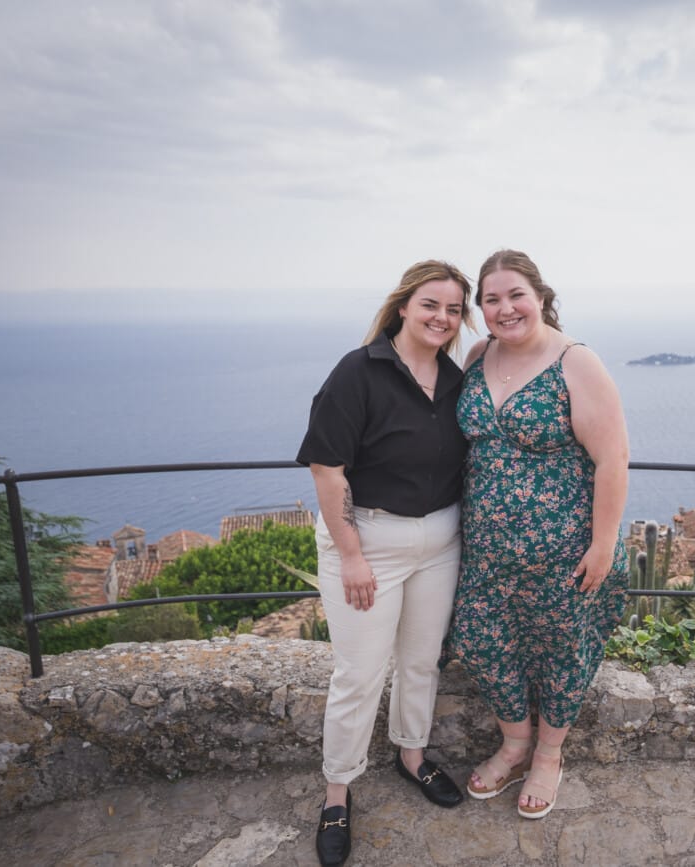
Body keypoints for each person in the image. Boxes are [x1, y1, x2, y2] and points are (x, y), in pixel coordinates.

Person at [297, 260, 475, 867]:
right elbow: (327, 469)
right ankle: (337, 793)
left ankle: (412, 756)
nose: (442, 318)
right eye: (431, 304)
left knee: (421, 661)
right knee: (360, 674)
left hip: (440, 542)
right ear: (403, 306)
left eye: (454, 309)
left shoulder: (455, 379)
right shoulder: (359, 372)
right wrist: (350, 555)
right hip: (368, 541)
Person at [447, 249, 630, 820]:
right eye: (491, 299)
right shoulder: (478, 356)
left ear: (541, 297)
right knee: (481, 641)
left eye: (515, 295)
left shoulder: (576, 362)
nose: (505, 308)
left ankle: (548, 756)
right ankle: (514, 743)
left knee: (562, 652)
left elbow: (613, 459)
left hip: (564, 552)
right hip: (486, 553)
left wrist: (603, 545)